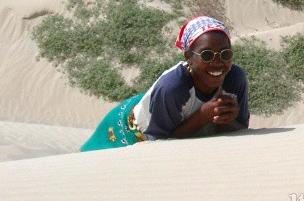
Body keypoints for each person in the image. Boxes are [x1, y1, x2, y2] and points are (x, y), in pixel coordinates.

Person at [81, 16, 249, 151]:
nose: (217, 62)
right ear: (188, 58)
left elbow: (241, 131)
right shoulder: (173, 87)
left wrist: (227, 120)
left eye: (225, 54)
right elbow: (160, 144)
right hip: (131, 130)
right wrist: (202, 116)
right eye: (206, 55)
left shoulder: (235, 79)